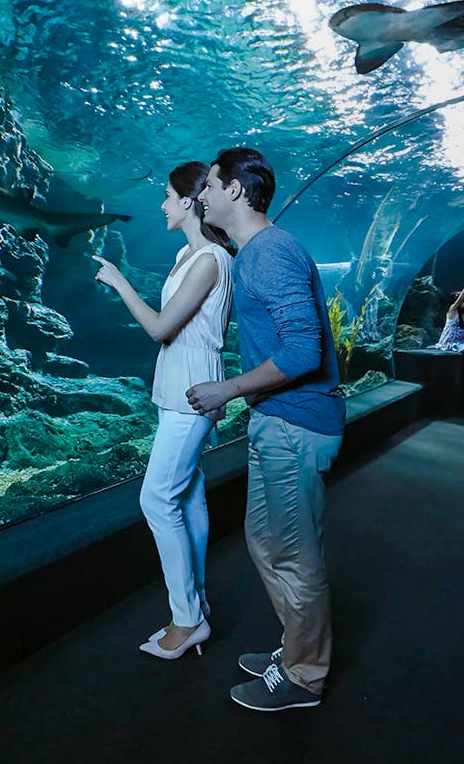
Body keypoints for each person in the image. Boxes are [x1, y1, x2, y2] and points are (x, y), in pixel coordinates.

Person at [184, 147, 346, 712]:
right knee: (266, 542)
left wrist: (228, 388)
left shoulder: (268, 253)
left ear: (233, 190)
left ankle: (305, 677)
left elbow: (304, 349)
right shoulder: (255, 252)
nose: (199, 195)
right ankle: (298, 647)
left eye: (207, 185)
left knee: (294, 555)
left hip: (296, 425)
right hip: (278, 420)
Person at [92, 161, 235, 660]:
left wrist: (119, 281)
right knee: (189, 496)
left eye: (169, 196)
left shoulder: (211, 260)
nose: (162, 204)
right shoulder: (184, 254)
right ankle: (196, 606)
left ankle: (187, 620)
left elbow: (160, 329)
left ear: (192, 201)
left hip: (193, 395)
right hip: (172, 390)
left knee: (156, 500)